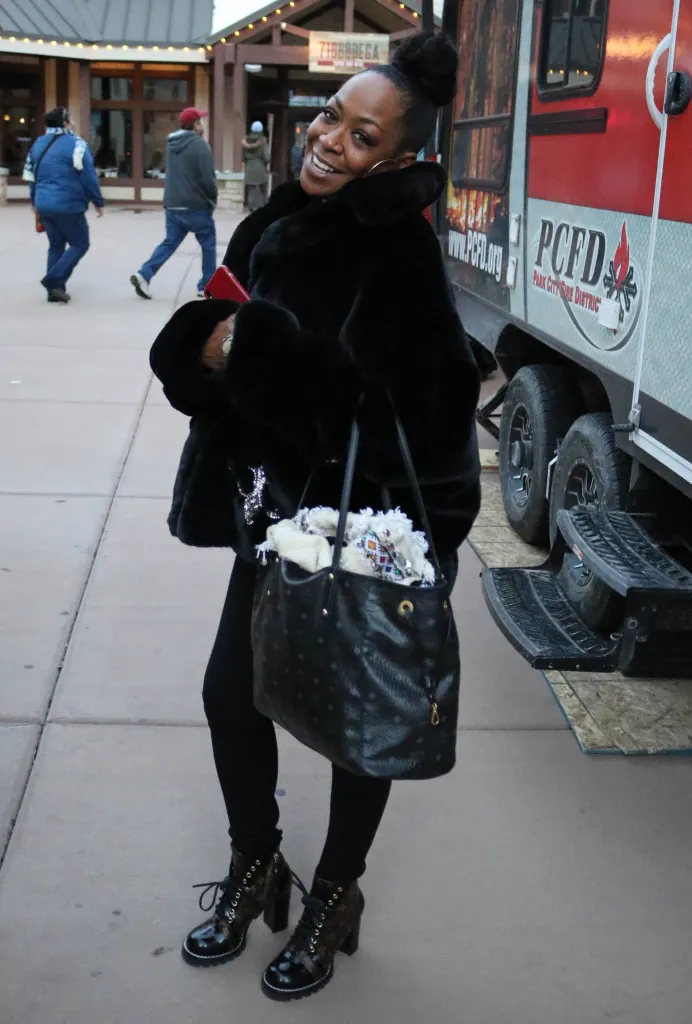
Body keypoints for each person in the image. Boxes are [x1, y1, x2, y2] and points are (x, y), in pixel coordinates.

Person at [150, 34, 480, 1002]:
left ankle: (336, 893)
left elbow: (404, 417)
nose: (329, 139)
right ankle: (258, 864)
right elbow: (218, 353)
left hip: (354, 537)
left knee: (352, 726)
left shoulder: (400, 257)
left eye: (360, 134)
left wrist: (247, 352)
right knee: (229, 694)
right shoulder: (276, 220)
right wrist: (202, 356)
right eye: (332, 112)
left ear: (398, 157)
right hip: (271, 523)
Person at [131, 107, 217, 300]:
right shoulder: (200, 145)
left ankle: (144, 275)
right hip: (195, 205)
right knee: (209, 244)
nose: (203, 124)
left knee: (170, 243)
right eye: (200, 121)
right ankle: (206, 285)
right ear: (195, 125)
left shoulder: (171, 143)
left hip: (173, 203)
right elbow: (207, 179)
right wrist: (213, 198)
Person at [23, 107, 104, 303]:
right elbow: (88, 176)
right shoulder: (77, 145)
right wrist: (97, 201)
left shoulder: (38, 144)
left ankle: (55, 291)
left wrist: (35, 201)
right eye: (71, 119)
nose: (74, 122)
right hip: (68, 204)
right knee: (80, 243)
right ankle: (53, 279)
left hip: (44, 204)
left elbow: (31, 176)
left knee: (56, 245)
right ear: (65, 123)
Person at [242, 121, 270, 212]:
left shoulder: (245, 140)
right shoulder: (262, 140)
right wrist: (266, 162)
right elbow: (266, 156)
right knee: (263, 189)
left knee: (251, 189)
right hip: (260, 167)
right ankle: (263, 208)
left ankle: (252, 207)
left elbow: (243, 157)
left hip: (249, 167)